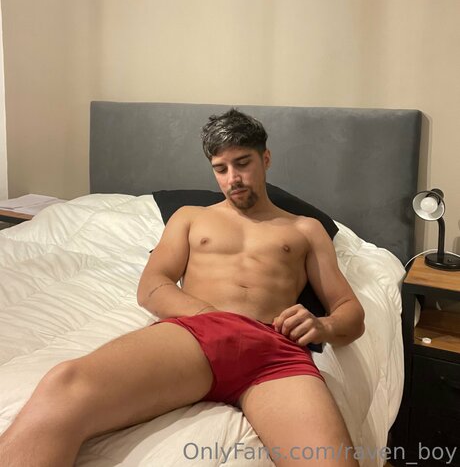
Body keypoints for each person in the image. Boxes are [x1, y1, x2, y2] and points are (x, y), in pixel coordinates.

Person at [0, 109, 365, 467]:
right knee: (64, 387)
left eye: (243, 163)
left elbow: (350, 311)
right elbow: (152, 286)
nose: (233, 178)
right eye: (221, 169)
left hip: (275, 350)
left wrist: (323, 326)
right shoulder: (191, 217)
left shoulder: (306, 229)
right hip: (197, 334)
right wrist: (211, 316)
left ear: (265, 159)